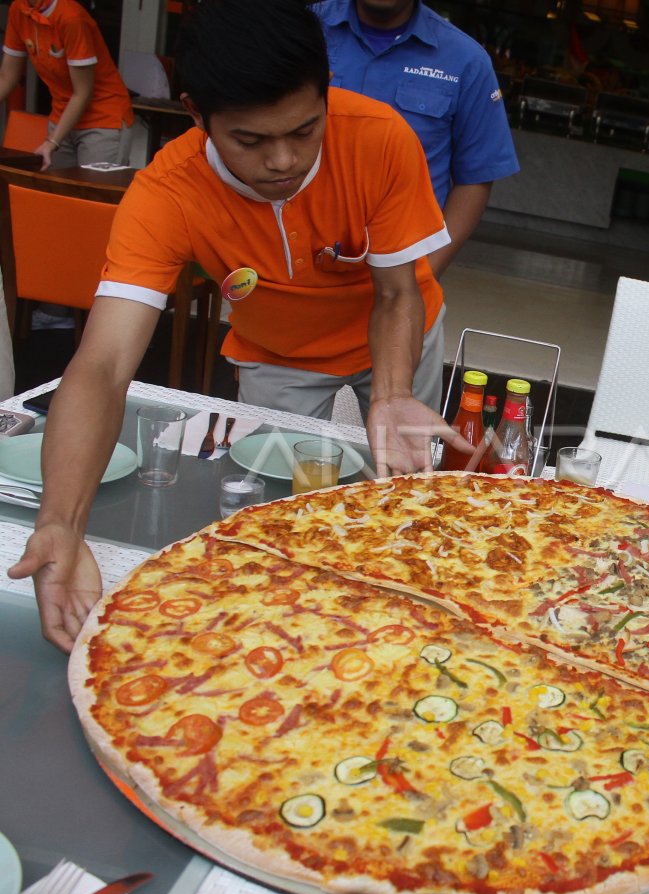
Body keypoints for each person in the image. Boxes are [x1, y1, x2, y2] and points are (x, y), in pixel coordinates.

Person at [8, 0, 472, 653]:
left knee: (406, 506)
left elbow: (398, 293)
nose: (282, 160)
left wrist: (393, 392)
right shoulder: (168, 191)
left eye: (305, 131)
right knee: (275, 511)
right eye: (250, 141)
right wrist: (61, 520)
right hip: (275, 350)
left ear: (325, 96)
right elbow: (104, 364)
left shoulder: (380, 137)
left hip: (394, 329)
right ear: (197, 113)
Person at [312, 0, 519, 278]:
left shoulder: (466, 60)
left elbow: (475, 178)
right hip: (297, 260)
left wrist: (423, 276)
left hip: (402, 266)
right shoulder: (299, 29)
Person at [0, 0, 134, 169]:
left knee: (92, 192)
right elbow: (6, 77)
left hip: (103, 117)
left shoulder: (70, 16)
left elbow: (83, 93)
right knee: (54, 190)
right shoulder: (19, 9)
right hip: (62, 114)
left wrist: (51, 142)